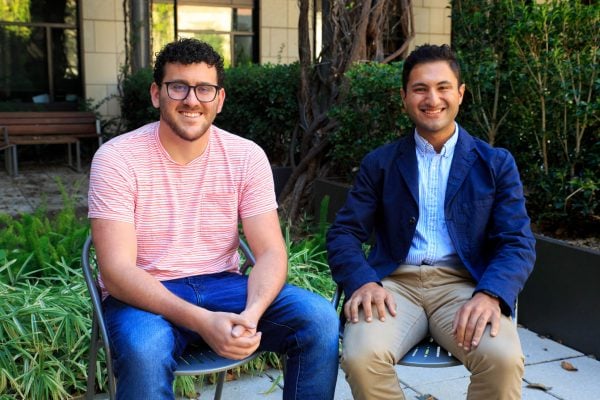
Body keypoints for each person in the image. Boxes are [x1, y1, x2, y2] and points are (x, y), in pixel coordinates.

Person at [88, 38, 339, 400]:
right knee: (144, 350)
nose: (192, 100)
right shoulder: (117, 159)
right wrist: (204, 322)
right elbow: (117, 272)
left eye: (204, 89)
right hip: (145, 295)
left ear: (219, 100)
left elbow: (270, 252)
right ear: (157, 94)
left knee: (318, 319)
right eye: (179, 87)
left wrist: (252, 314)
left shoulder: (245, 156)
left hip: (226, 287)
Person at [326, 44, 536, 400]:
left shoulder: (495, 163)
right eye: (420, 88)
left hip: (464, 287)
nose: (432, 98)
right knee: (362, 357)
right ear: (405, 96)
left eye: (443, 87)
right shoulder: (381, 163)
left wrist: (490, 293)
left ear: (460, 93)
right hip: (393, 287)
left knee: (503, 359)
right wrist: (362, 282)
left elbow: (517, 241)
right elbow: (344, 232)